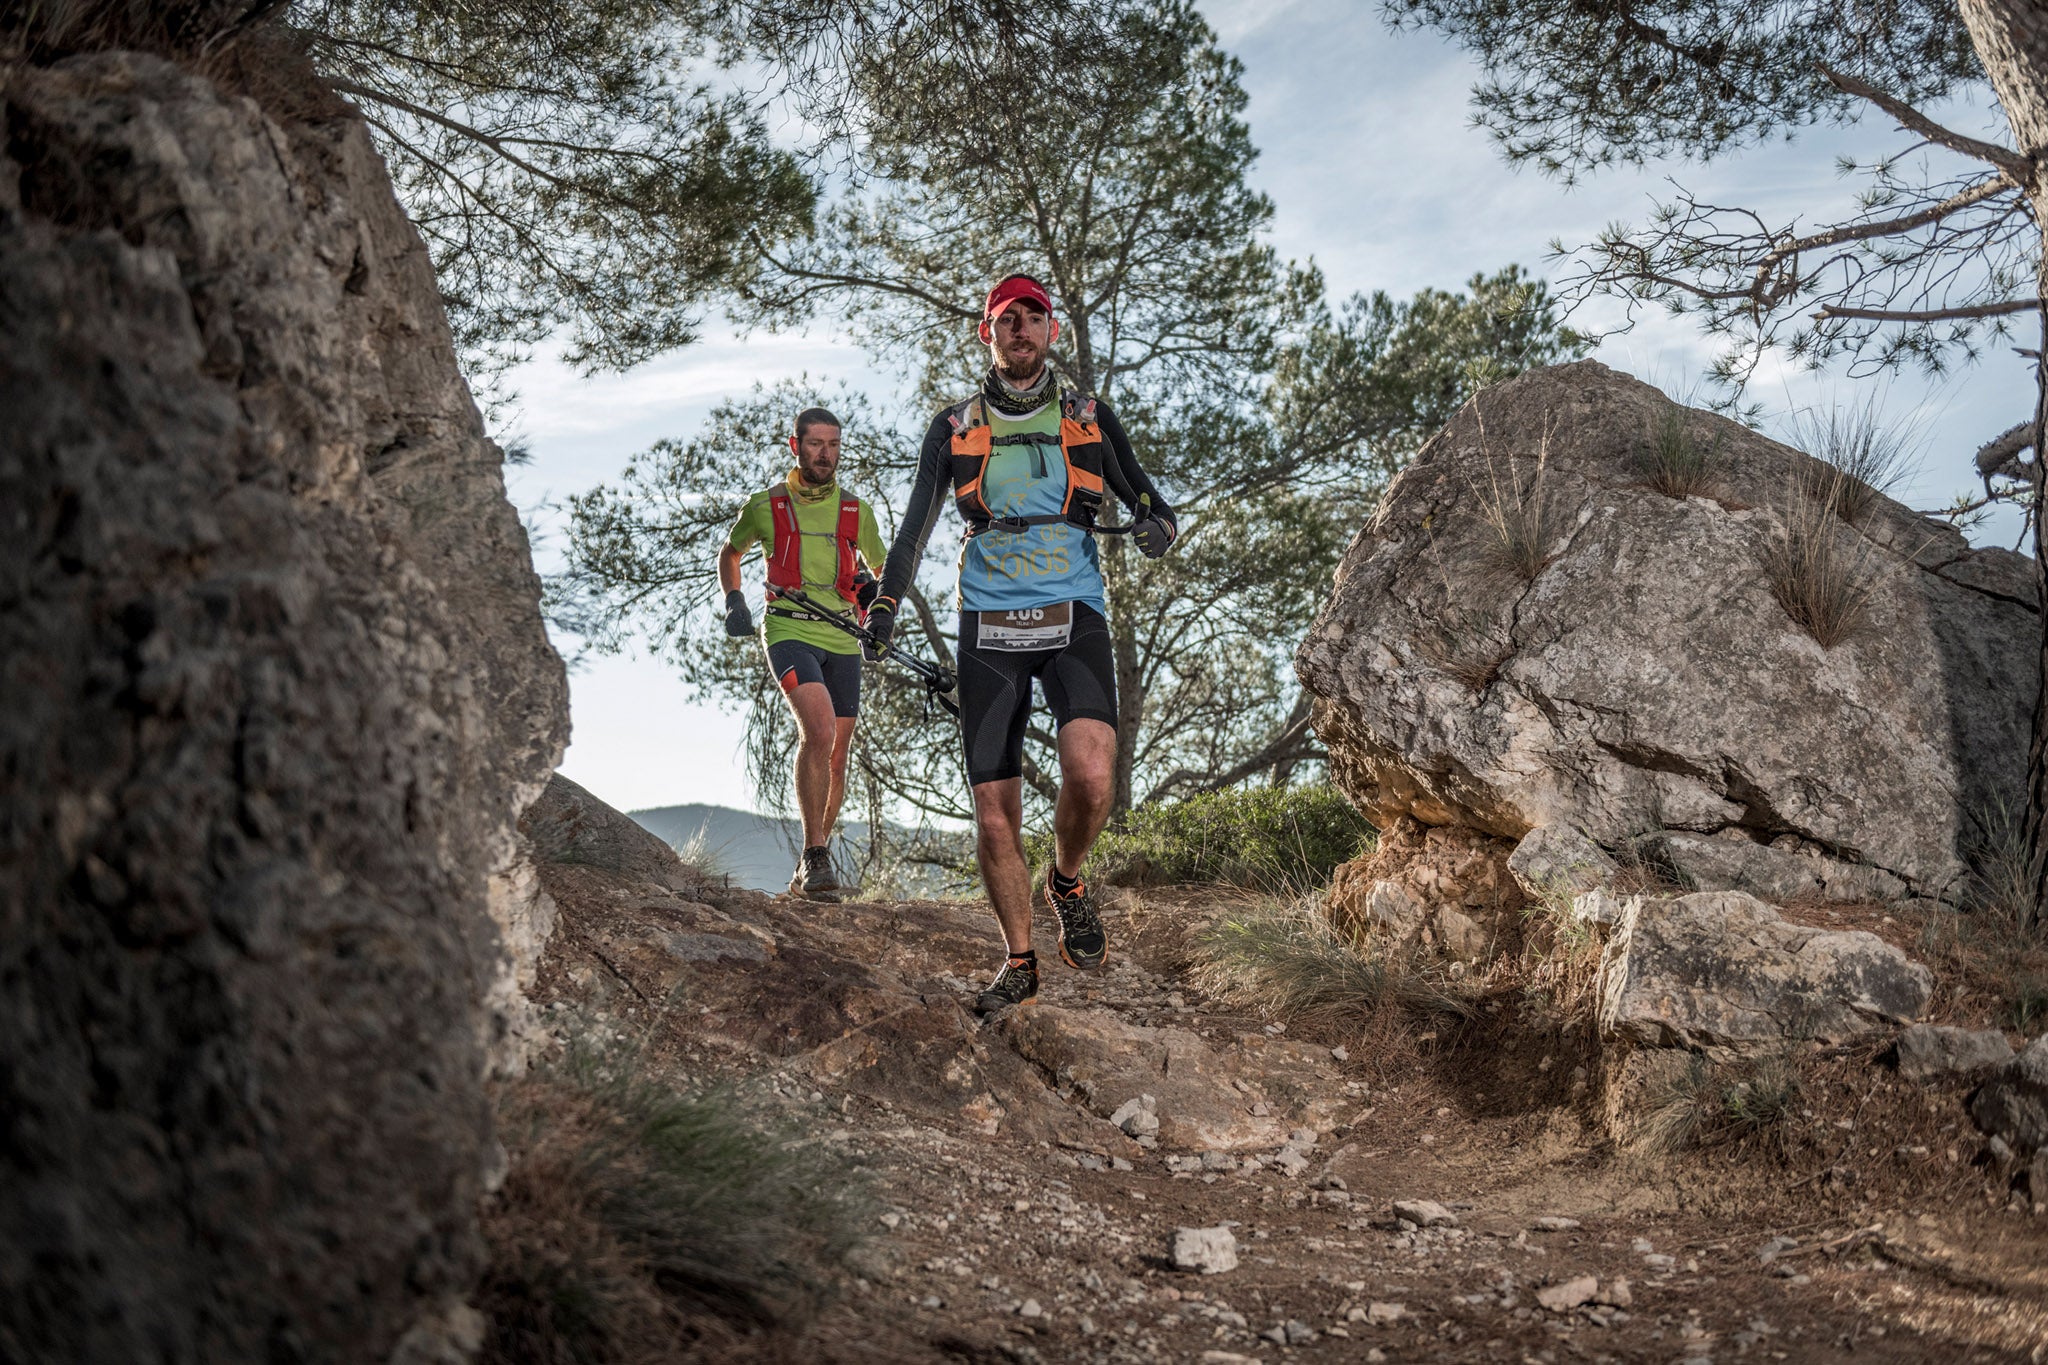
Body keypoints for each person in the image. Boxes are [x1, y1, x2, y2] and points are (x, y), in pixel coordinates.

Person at [868, 274, 1178, 1014]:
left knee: (1094, 773)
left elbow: (1155, 508)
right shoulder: (953, 426)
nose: (1020, 329)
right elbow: (914, 528)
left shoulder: (1092, 419)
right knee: (995, 811)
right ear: (987, 333)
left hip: (1073, 610)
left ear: (1052, 333)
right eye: (1006, 319)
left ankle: (1065, 878)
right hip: (988, 623)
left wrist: (1153, 530)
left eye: (1033, 318)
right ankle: (1019, 959)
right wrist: (884, 601)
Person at [718, 407, 887, 902]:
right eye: (815, 444)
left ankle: (810, 864)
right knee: (818, 731)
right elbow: (731, 553)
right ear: (795, 446)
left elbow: (882, 568)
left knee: (838, 753)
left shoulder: (856, 510)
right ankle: (817, 856)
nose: (825, 454)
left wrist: (875, 599)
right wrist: (734, 600)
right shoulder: (766, 505)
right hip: (789, 627)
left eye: (833, 445)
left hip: (842, 635)